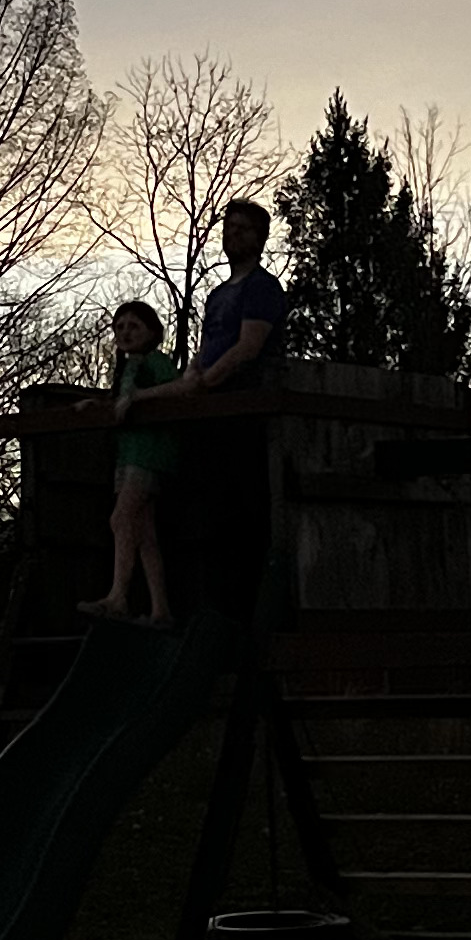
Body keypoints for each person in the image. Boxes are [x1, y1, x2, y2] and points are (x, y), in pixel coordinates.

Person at [116, 199, 288, 612]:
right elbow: (208, 348)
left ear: (261, 238)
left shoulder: (262, 288)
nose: (233, 236)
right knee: (203, 510)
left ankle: (243, 609)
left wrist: (205, 382)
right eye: (229, 229)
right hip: (208, 409)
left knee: (244, 509)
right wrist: (192, 377)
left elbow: (247, 347)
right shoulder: (216, 296)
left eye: (243, 229)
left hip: (243, 407)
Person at [79, 299, 178, 625]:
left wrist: (137, 400)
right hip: (128, 452)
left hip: (147, 453)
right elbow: (120, 401)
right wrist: (99, 404)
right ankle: (160, 609)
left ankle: (118, 597)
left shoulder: (157, 362)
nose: (125, 332)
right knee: (143, 532)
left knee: (120, 519)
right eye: (120, 327)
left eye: (133, 326)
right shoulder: (127, 368)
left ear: (152, 331)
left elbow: (176, 390)